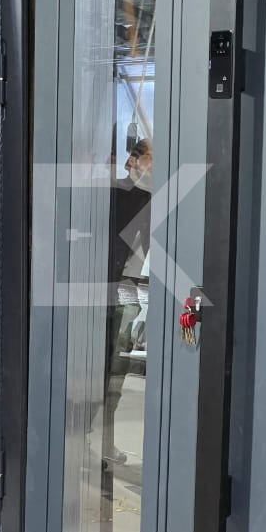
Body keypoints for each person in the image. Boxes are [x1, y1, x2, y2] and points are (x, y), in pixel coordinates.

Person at [102, 138, 152, 466]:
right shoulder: (117, 193)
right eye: (147, 158)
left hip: (128, 295)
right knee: (109, 372)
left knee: (115, 374)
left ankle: (103, 440)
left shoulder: (152, 199)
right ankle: (96, 438)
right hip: (109, 294)